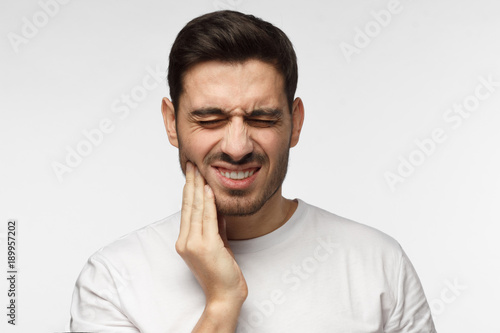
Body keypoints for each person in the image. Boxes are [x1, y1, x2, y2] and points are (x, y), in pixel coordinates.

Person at [70, 10, 436, 332]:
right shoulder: (113, 280)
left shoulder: (380, 265)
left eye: (262, 118)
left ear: (295, 124)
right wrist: (222, 303)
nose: (237, 146)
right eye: (210, 119)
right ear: (171, 123)